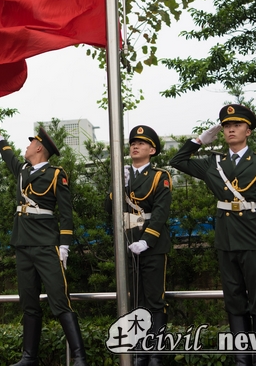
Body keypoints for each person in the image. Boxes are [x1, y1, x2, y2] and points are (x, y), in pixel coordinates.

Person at [170, 104, 256, 366]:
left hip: (254, 237)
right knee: (234, 299)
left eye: (237, 125)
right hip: (226, 238)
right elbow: (177, 161)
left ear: (248, 131)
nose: (231, 129)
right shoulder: (214, 162)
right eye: (227, 126)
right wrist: (199, 141)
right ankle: (242, 360)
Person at [0, 120, 87, 366]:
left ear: (39, 148)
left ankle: (79, 358)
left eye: (31, 143)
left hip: (46, 245)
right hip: (23, 245)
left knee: (60, 301)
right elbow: (7, 155)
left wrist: (64, 246)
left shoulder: (55, 175)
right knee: (29, 303)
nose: (27, 146)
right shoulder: (23, 171)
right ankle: (29, 357)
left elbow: (66, 214)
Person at [107, 125, 172, 366]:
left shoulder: (159, 176)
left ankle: (156, 355)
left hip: (152, 245)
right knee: (136, 301)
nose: (135, 146)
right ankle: (139, 353)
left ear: (152, 150)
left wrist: (147, 239)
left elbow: (161, 212)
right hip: (128, 244)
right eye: (133, 143)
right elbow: (109, 208)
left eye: (141, 143)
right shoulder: (122, 175)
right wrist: (119, 185)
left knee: (154, 300)